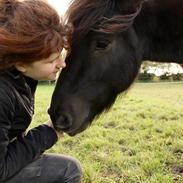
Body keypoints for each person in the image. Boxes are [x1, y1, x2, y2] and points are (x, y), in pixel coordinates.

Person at [0, 0, 82, 183]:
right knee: (69, 170)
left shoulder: (22, 75)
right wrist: (47, 132)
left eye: (60, 55)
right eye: (52, 60)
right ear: (20, 64)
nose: (62, 64)